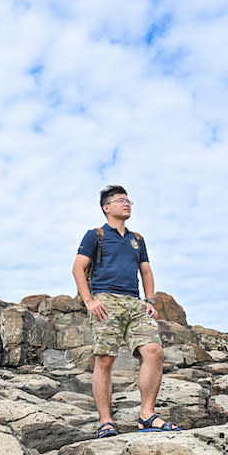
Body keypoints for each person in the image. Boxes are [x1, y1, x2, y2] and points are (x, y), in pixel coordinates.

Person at [73, 185, 182, 438]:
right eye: (121, 200)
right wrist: (89, 301)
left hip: (134, 302)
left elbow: (145, 271)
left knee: (154, 351)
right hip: (105, 300)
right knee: (105, 359)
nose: (127, 204)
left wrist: (150, 300)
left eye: (129, 200)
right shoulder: (96, 235)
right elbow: (78, 268)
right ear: (106, 207)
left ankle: (147, 416)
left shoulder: (137, 240)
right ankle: (106, 422)